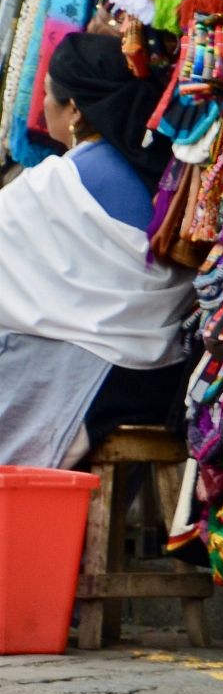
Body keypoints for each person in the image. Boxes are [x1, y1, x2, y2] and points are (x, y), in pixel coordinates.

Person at [0, 33, 193, 467]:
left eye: (48, 95)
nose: (41, 107)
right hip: (162, 377)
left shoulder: (57, 184)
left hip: (104, 383)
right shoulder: (169, 174)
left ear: (74, 110)